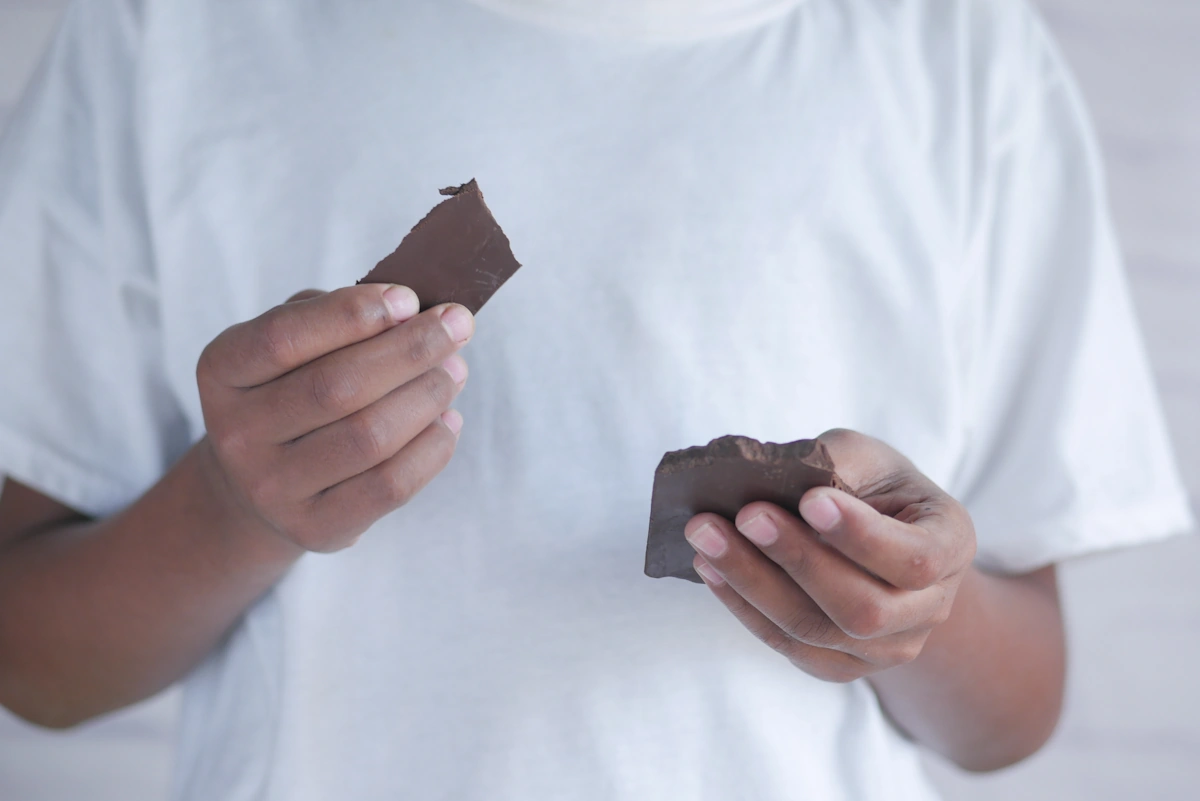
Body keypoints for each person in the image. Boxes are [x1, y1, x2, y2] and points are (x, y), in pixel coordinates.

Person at [0, 0, 1191, 799]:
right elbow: (31, 660)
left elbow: (1017, 706)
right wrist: (234, 506)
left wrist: (912, 611)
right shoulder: (166, 35)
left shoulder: (961, 54)